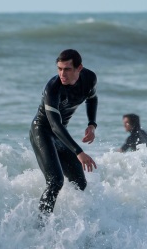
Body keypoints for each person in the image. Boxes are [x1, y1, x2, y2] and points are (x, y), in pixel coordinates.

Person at [29, 49, 98, 216]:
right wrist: (79, 152)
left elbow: (92, 99)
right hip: (43, 131)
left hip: (60, 133)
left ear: (79, 68)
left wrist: (92, 124)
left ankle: (73, 222)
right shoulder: (52, 88)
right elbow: (54, 125)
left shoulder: (89, 79)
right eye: (59, 69)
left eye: (67, 69)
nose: (62, 73)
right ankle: (41, 225)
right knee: (55, 181)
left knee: (80, 182)